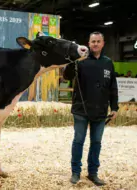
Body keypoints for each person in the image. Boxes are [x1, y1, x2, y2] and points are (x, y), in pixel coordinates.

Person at [63, 31, 119, 186]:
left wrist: (114, 107)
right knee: (79, 141)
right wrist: (72, 60)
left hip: (100, 110)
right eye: (93, 41)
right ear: (88, 43)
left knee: (96, 142)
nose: (95, 43)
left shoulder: (108, 62)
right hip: (81, 109)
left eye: (98, 41)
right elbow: (67, 76)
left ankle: (93, 173)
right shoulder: (80, 61)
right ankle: (75, 172)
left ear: (103, 43)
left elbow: (113, 87)